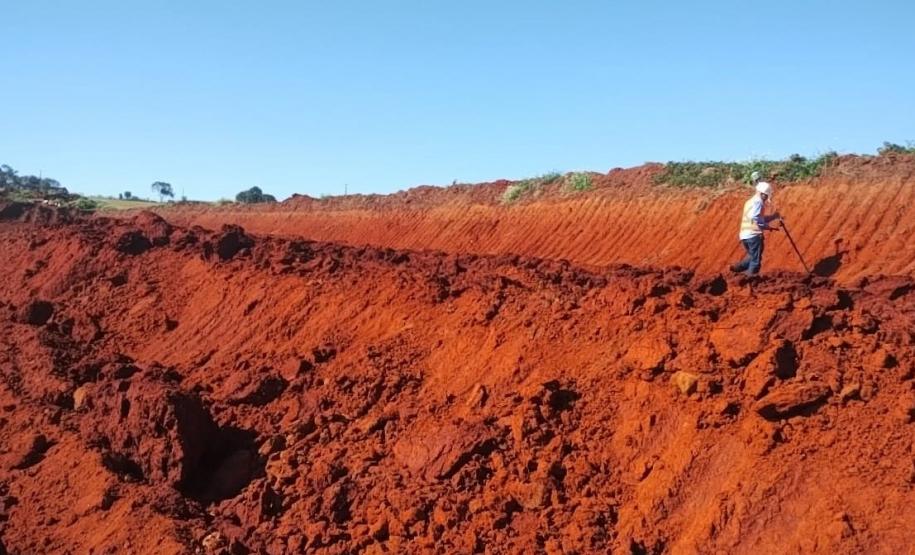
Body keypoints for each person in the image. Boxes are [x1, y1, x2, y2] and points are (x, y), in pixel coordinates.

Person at [730, 181, 781, 275]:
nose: (766, 198)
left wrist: (774, 216)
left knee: (752, 256)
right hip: (754, 235)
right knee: (755, 261)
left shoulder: (750, 201)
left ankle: (736, 268)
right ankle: (748, 280)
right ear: (762, 193)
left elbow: (759, 218)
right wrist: (768, 227)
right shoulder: (758, 202)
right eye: (766, 195)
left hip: (745, 235)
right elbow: (755, 218)